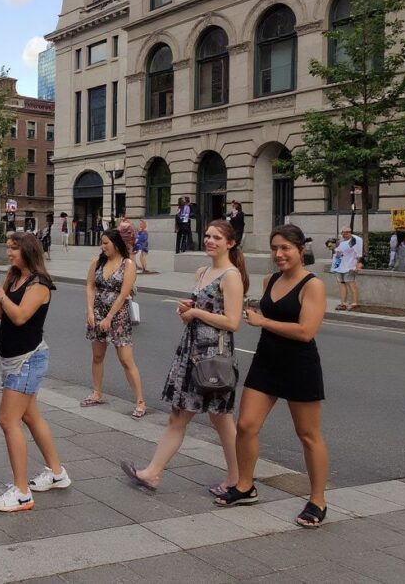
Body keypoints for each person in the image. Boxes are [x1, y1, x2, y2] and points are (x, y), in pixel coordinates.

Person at [215, 224, 330, 529]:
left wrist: (263, 320)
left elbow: (306, 331)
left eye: (285, 249)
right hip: (266, 361)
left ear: (299, 250)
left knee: (308, 434)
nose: (279, 254)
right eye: (274, 248)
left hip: (299, 365)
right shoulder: (270, 280)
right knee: (246, 425)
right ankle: (244, 485)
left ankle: (317, 500)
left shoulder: (312, 285)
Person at [121, 220, 247, 493]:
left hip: (214, 354)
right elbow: (198, 313)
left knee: (220, 417)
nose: (209, 240)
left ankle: (238, 478)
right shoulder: (203, 272)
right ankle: (152, 473)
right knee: (182, 416)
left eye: (216, 237)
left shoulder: (231, 275)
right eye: (207, 235)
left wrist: (197, 313)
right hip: (192, 349)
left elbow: (233, 321)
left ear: (231, 243)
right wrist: (186, 311)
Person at [0, 232, 69, 512]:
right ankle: (57, 473)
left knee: (8, 420)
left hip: (28, 359)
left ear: (29, 251)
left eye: (14, 249)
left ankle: (22, 493)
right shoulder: (13, 276)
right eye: (8, 248)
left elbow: (20, 316)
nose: (9, 253)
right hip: (12, 358)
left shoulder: (40, 284)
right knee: (31, 416)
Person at [82, 228, 146, 418]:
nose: (103, 247)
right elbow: (90, 286)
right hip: (98, 313)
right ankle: (96, 392)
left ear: (116, 244)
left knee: (126, 360)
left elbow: (124, 293)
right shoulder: (97, 261)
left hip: (118, 316)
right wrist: (90, 312)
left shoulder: (128, 264)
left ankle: (140, 402)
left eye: (106, 243)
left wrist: (110, 317)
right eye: (102, 243)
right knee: (97, 356)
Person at [331, 226, 362, 310]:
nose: (345, 234)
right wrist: (332, 247)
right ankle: (343, 303)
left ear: (350, 232)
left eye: (347, 232)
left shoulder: (354, 241)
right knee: (341, 285)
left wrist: (358, 264)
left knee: (351, 284)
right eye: (343, 232)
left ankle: (354, 303)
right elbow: (337, 252)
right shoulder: (340, 241)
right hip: (339, 266)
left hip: (349, 266)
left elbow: (359, 254)